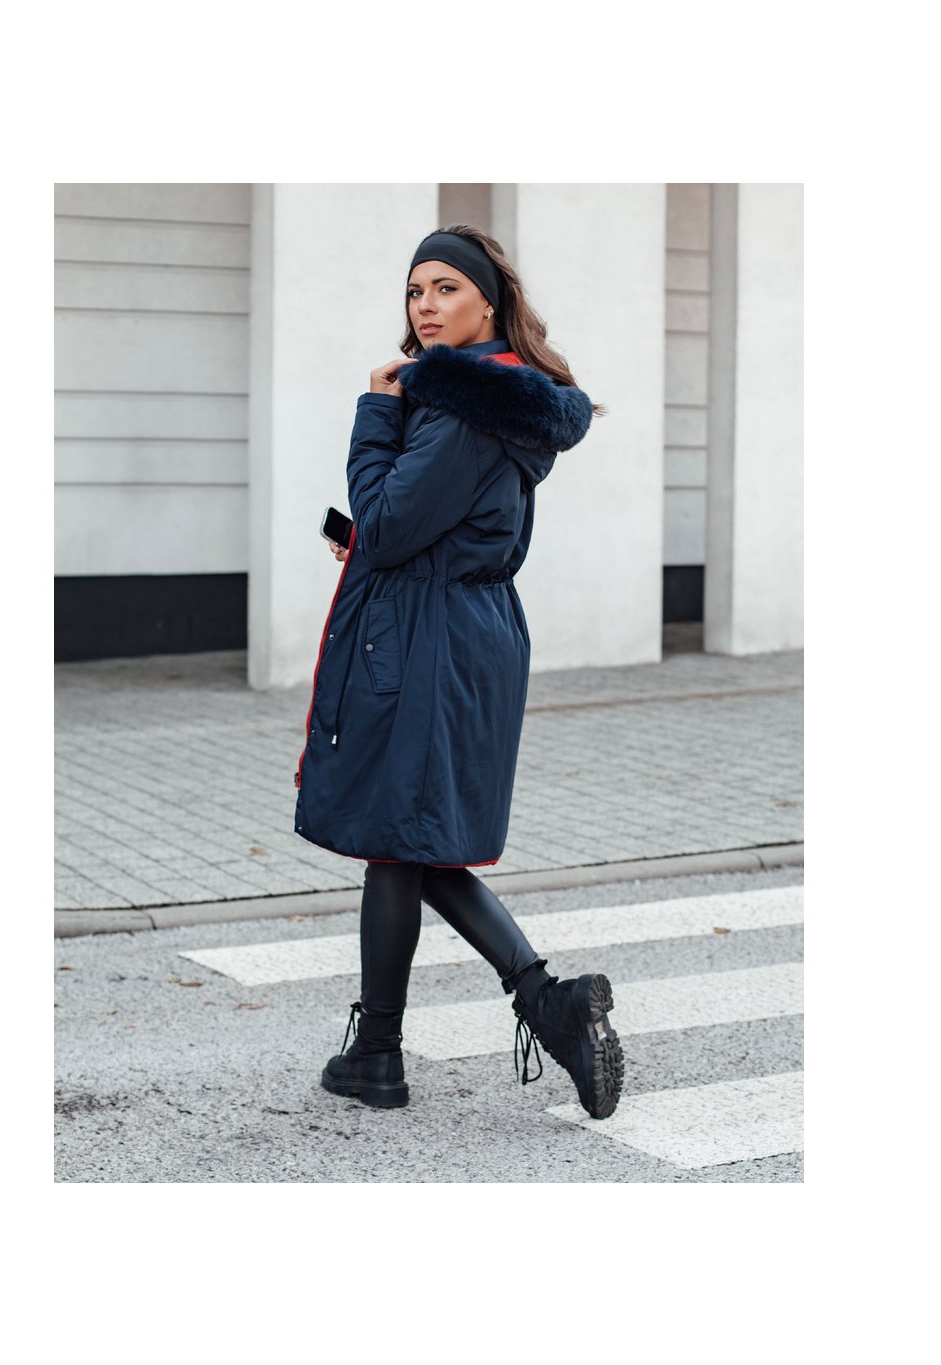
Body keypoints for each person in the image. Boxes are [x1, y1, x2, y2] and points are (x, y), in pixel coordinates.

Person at [293, 224, 624, 1119]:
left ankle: (519, 1007)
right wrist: (374, 542)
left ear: (489, 301)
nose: (425, 306)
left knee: (401, 833)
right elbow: (425, 527)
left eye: (445, 288)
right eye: (415, 291)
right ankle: (398, 1046)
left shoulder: (460, 404)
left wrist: (377, 412)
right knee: (408, 837)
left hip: (427, 639)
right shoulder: (499, 400)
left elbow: (389, 521)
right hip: (462, 627)